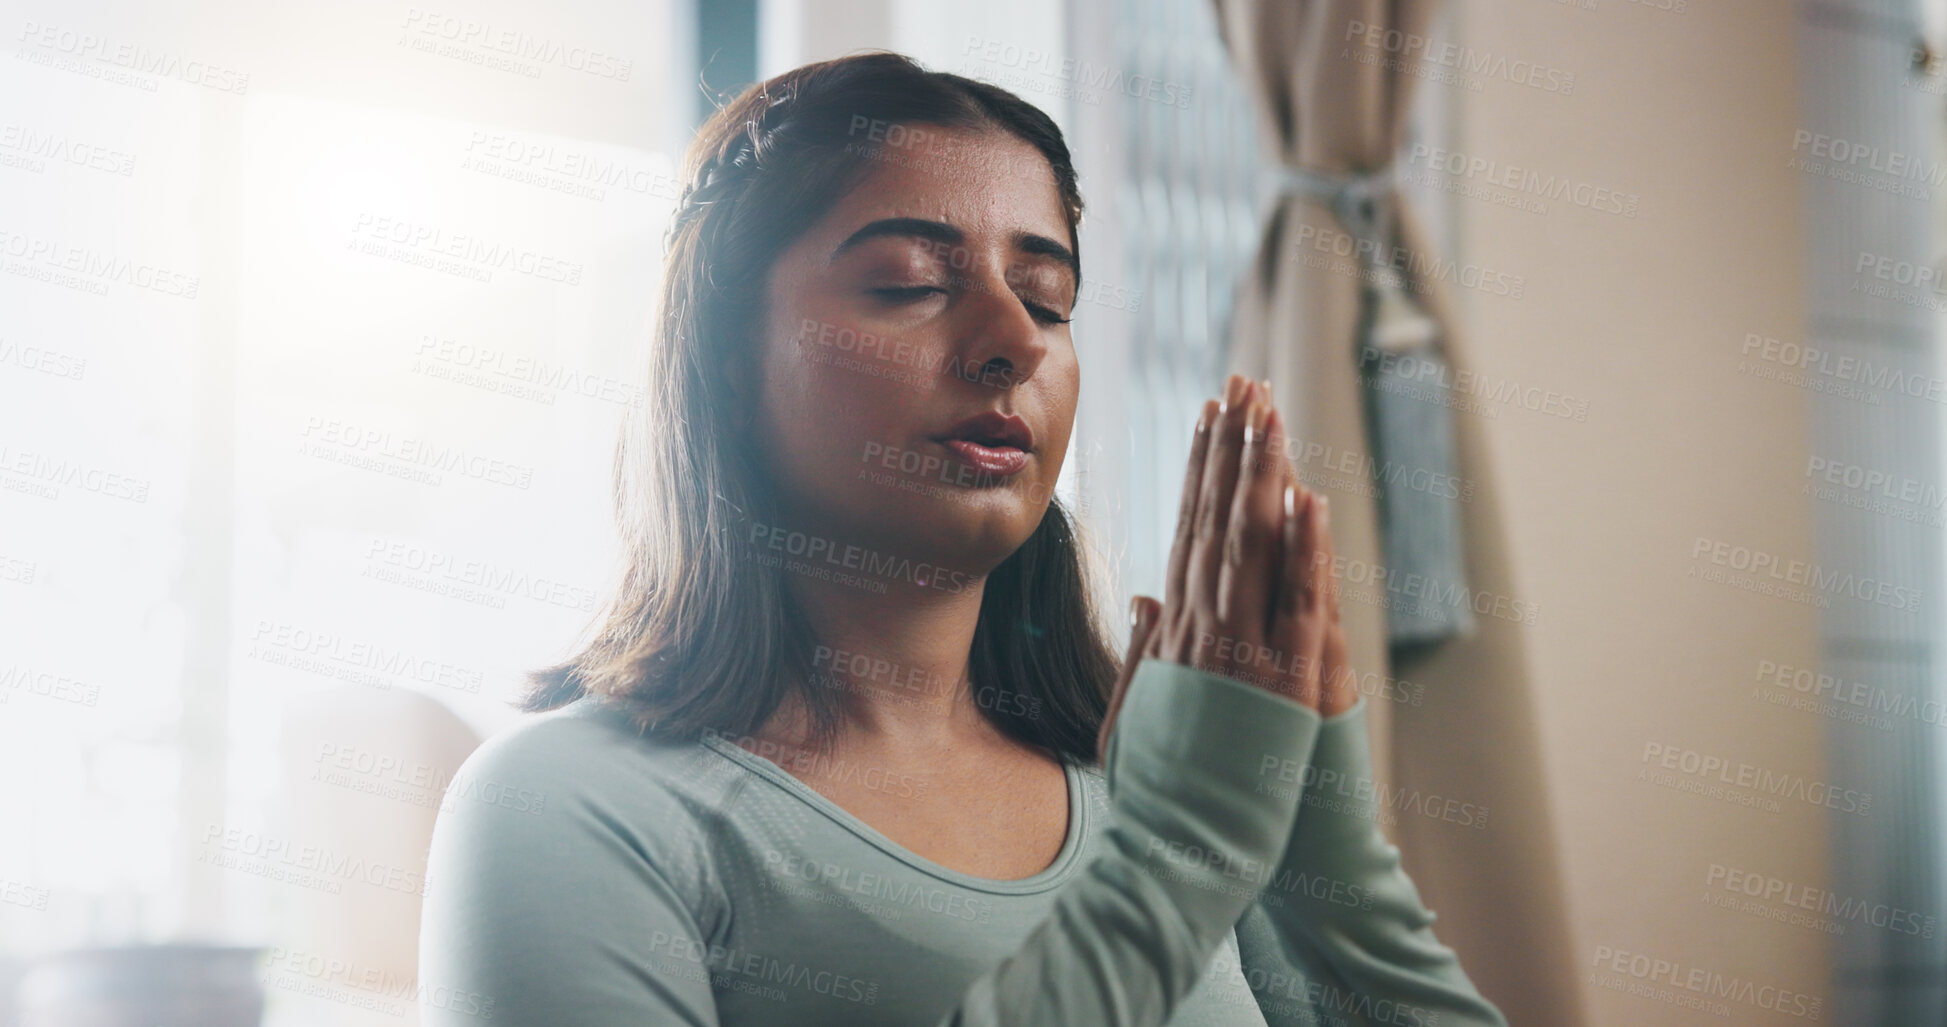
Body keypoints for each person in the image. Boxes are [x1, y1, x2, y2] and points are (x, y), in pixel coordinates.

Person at [416, 50, 1507, 1027]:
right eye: (910, 284)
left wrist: (1333, 855)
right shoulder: (569, 807)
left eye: (1048, 297)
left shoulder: (1151, 771)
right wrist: (1171, 872)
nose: (1010, 343)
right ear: (727, 356)